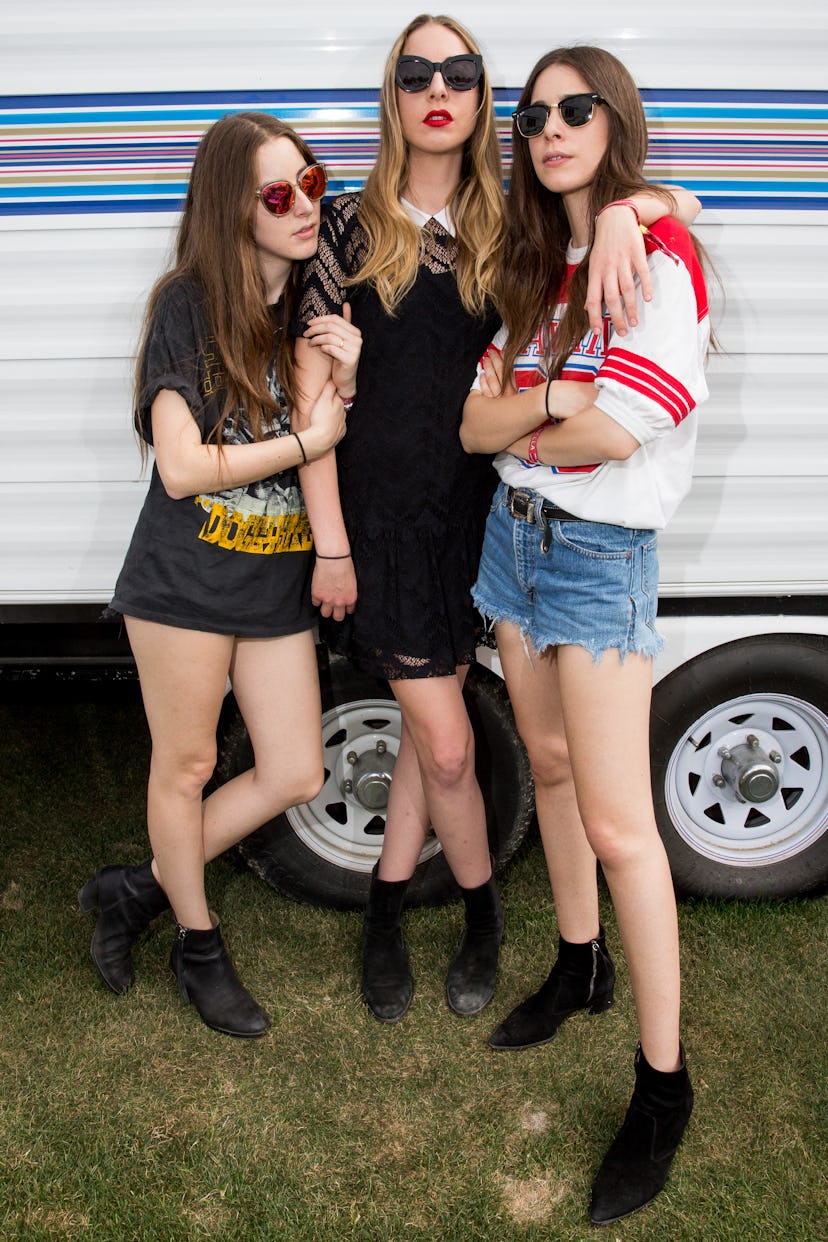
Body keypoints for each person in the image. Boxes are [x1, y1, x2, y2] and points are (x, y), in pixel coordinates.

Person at [292, 13, 701, 1027]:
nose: (440, 87)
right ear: (393, 94)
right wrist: (332, 538)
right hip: (384, 526)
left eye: (464, 73)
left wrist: (626, 211)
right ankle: (459, 918)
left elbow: (657, 207)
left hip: (488, 521)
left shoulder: (507, 226)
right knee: (442, 744)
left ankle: (409, 912)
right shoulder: (345, 227)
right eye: (416, 72)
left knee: (450, 741)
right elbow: (310, 394)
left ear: (481, 103)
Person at [460, 45, 711, 1224]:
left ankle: (663, 1087)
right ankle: (579, 963)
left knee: (623, 825)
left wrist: (536, 418)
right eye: (535, 113)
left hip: (599, 559)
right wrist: (546, 411)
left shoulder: (660, 255)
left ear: (615, 120)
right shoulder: (533, 265)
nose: (551, 126)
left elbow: (621, 436)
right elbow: (473, 424)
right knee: (550, 768)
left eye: (576, 107)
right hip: (513, 545)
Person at [78, 111, 361, 1039]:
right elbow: (183, 468)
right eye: (278, 194)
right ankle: (197, 943)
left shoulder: (309, 316)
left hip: (272, 585)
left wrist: (341, 390)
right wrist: (304, 436)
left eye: (311, 182)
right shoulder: (189, 304)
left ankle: (136, 889)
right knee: (189, 765)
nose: (303, 205)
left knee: (294, 769)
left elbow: (324, 445)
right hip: (184, 581)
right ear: (233, 211)